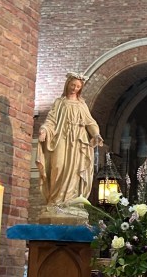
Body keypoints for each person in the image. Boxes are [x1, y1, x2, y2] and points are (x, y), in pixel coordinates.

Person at [36, 73, 103, 209]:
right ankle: (55, 201)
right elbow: (51, 120)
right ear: (67, 84)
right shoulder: (59, 102)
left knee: (75, 170)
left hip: (78, 141)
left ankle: (71, 202)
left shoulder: (81, 104)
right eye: (73, 85)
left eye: (78, 86)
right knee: (58, 166)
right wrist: (44, 130)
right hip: (61, 137)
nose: (74, 88)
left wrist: (96, 134)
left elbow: (90, 122)